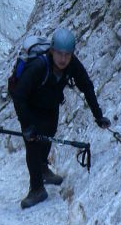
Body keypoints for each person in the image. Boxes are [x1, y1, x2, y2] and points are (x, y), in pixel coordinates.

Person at [10, 27, 110, 209]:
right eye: (59, 54)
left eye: (67, 54)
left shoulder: (72, 65)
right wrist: (27, 125)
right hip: (30, 107)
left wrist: (98, 116)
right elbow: (19, 95)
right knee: (33, 143)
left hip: (50, 105)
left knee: (48, 133)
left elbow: (86, 86)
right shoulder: (39, 66)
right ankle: (37, 188)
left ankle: (43, 168)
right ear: (52, 51)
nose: (63, 59)